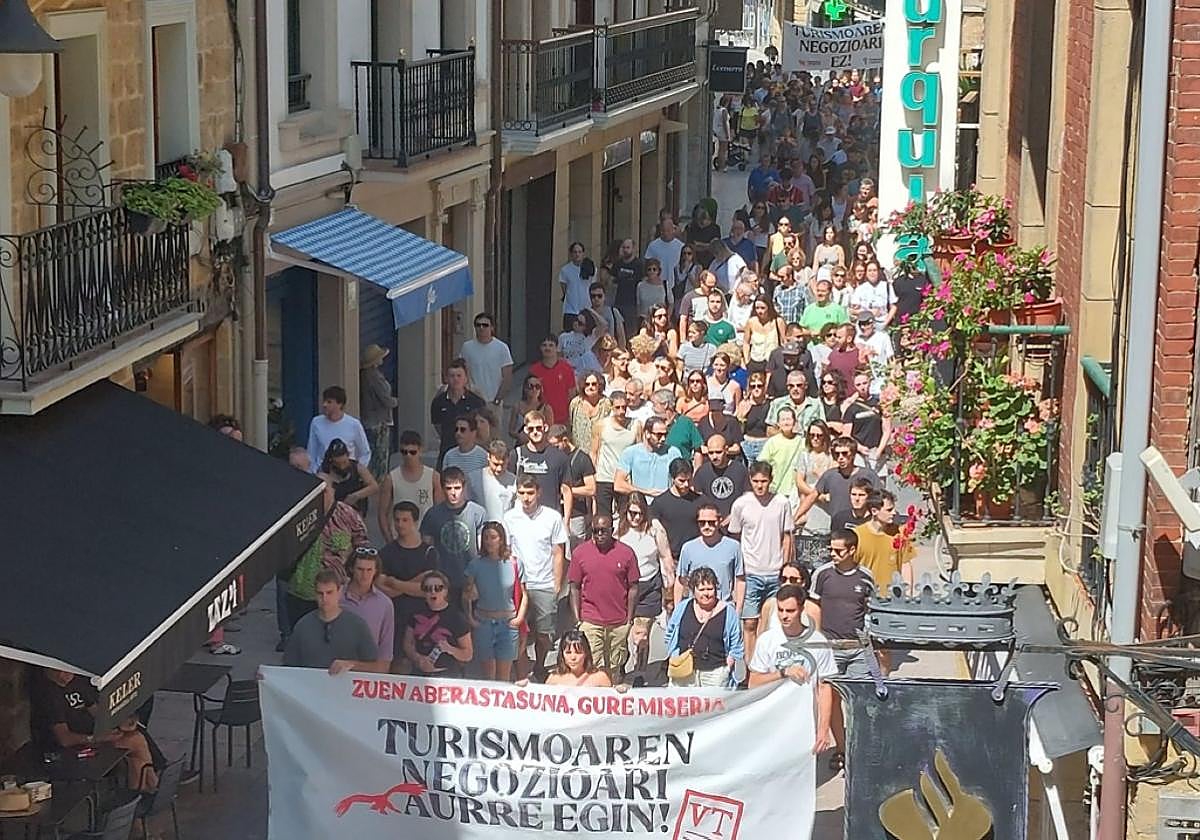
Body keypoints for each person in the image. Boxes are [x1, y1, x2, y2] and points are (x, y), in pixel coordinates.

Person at [746, 582, 835, 759]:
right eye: (780, 610)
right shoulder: (767, 641)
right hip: (773, 718)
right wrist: (782, 672)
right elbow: (753, 683)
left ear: (801, 609)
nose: (784, 616)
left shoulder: (818, 642)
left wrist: (823, 729)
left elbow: (824, 688)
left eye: (790, 611)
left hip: (804, 720)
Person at [32, 669, 160, 791]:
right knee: (135, 741)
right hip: (71, 749)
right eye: (57, 671)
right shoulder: (47, 694)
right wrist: (96, 738)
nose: (63, 675)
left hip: (94, 736)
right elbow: (65, 739)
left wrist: (120, 722)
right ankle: (150, 789)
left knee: (135, 745)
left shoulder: (77, 681)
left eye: (67, 670)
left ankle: (144, 792)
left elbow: (97, 712)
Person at [811, 529, 875, 767]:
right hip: (830, 649)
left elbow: (872, 612)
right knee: (832, 700)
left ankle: (861, 748)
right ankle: (841, 748)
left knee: (860, 700)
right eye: (831, 550)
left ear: (852, 550)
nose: (833, 554)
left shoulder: (866, 577)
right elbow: (813, 609)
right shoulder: (822, 575)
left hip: (859, 649)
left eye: (838, 550)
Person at [503, 476, 569, 679]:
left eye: (530, 493)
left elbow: (559, 552)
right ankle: (519, 670)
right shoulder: (509, 517)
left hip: (544, 583)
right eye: (521, 493)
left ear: (538, 492)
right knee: (518, 631)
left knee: (544, 633)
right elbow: (506, 550)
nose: (526, 498)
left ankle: (540, 665)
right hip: (518, 584)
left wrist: (557, 585)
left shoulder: (552, 517)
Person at [728, 462, 794, 663]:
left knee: (774, 623)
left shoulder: (782, 503)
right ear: (750, 480)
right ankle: (751, 668)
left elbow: (787, 537)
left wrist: (787, 568)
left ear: (770, 481)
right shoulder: (741, 504)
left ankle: (771, 664)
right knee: (749, 623)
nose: (760, 486)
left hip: (775, 572)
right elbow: (735, 538)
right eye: (756, 481)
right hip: (751, 572)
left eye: (764, 481)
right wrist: (737, 575)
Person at [569, 513, 639, 683]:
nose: (599, 535)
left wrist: (629, 619)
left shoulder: (626, 553)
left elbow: (634, 587)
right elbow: (574, 587)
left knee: (615, 666)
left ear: (612, 530)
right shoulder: (580, 553)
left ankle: (613, 700)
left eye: (603, 531)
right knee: (594, 667)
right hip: (591, 621)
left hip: (619, 622)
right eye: (595, 531)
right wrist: (578, 619)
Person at [377, 502, 440, 672]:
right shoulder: (386, 553)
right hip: (395, 618)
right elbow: (383, 589)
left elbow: (427, 590)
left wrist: (395, 582)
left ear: (415, 522)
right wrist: (416, 581)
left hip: (423, 619)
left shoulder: (429, 552)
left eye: (405, 520)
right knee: (398, 665)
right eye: (397, 520)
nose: (400, 524)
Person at [464, 522, 527, 682]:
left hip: (507, 623)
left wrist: (519, 618)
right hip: (484, 622)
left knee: (504, 676)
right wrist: (470, 618)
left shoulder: (514, 563)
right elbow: (466, 594)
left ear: (501, 539)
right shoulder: (475, 564)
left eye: (493, 537)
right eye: (486, 538)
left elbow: (524, 594)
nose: (489, 541)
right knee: (488, 675)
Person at [618, 493, 673, 674]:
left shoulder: (654, 528)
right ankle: (620, 664)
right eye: (631, 513)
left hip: (649, 586)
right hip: (624, 588)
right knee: (623, 632)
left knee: (642, 634)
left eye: (639, 513)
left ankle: (640, 671)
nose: (635, 518)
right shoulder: (619, 529)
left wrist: (669, 588)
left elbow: (665, 557)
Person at [663, 566, 744, 689]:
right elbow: (670, 633)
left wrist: (728, 665)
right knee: (683, 707)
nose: (706, 594)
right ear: (693, 590)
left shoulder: (728, 612)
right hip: (684, 669)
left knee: (714, 708)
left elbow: (736, 643)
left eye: (710, 589)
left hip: (715, 673)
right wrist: (674, 655)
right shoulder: (682, 608)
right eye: (701, 589)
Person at [285, 569, 379, 674]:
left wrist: (352, 665)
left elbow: (376, 667)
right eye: (320, 593)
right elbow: (288, 667)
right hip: (311, 687)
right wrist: (268, 677)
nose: (325, 598)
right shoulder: (303, 626)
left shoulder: (357, 626)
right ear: (315, 594)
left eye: (329, 592)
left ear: (339, 592)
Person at [419, 467, 486, 598]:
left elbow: (482, 551)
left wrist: (479, 580)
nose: (453, 493)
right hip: (442, 579)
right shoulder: (433, 514)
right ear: (443, 489)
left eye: (457, 488)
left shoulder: (478, 512)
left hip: (470, 578)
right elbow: (425, 549)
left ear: (464, 487)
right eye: (449, 488)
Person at [797, 436, 880, 528]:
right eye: (837, 454)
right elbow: (812, 496)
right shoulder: (830, 475)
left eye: (844, 453)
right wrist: (795, 518)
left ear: (853, 454)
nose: (840, 457)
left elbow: (879, 500)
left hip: (865, 526)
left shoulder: (869, 475)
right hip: (838, 528)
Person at [403, 570, 474, 677]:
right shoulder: (415, 613)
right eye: (428, 589)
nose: (433, 592)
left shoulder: (457, 617)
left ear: (445, 591)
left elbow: (468, 654)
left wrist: (450, 649)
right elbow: (408, 643)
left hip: (448, 675)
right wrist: (418, 658)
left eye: (438, 588)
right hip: (419, 674)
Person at [675, 503, 745, 610]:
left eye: (711, 522)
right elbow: (680, 581)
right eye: (702, 523)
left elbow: (740, 580)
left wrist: (738, 611)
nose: (707, 526)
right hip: (696, 609)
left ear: (720, 521)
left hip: (723, 607)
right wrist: (678, 610)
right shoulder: (688, 548)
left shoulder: (734, 547)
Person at [508, 410, 572, 520]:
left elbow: (566, 491)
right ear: (525, 430)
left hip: (550, 517)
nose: (535, 432)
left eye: (538, 428)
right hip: (522, 517)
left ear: (545, 428)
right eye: (531, 429)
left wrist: (566, 521)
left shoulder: (559, 457)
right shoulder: (516, 455)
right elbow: (509, 487)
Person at [378, 430, 441, 540]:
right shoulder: (391, 478)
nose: (408, 456)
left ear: (420, 450)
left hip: (425, 540)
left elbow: (440, 511)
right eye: (404, 452)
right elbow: (382, 513)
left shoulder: (433, 477)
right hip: (399, 540)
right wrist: (389, 540)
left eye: (412, 452)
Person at [339, 548, 395, 673]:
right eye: (360, 569)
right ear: (352, 569)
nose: (365, 575)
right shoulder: (336, 596)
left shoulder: (385, 604)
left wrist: (352, 665)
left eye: (369, 570)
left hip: (367, 674)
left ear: (376, 571)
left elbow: (385, 661)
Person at [591, 391, 639, 517]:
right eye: (617, 407)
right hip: (604, 477)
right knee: (603, 516)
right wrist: (594, 475)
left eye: (624, 407)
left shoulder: (636, 425)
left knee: (625, 515)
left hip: (625, 478)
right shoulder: (601, 425)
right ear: (611, 407)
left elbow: (640, 451)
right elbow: (594, 452)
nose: (621, 411)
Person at [430, 360, 486, 468]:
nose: (455, 379)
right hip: (447, 451)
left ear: (465, 379)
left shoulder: (477, 402)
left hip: (471, 454)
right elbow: (438, 426)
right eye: (452, 376)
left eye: (459, 375)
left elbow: (482, 428)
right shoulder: (438, 402)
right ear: (446, 378)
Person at [853, 490, 915, 589]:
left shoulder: (900, 533)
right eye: (889, 510)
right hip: (867, 596)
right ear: (874, 511)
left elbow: (905, 564)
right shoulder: (857, 535)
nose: (894, 513)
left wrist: (908, 593)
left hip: (895, 597)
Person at [548, 424, 597, 547]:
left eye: (556, 446)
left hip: (576, 514)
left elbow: (591, 489)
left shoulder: (582, 459)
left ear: (565, 440)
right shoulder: (552, 458)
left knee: (575, 552)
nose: (553, 449)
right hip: (555, 512)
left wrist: (567, 491)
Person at [614, 417, 681, 498]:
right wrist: (646, 492)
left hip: (666, 504)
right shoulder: (631, 452)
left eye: (665, 435)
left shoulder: (673, 452)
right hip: (642, 505)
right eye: (659, 435)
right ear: (647, 433)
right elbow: (618, 484)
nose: (663, 439)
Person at [307, 385, 371, 469]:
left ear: (340, 404)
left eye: (329, 402)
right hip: (323, 471)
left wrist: (357, 471)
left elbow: (365, 452)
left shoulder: (354, 424)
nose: (324, 405)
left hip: (346, 471)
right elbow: (312, 451)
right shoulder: (316, 422)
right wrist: (314, 471)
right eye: (324, 401)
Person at [359, 344, 398, 481]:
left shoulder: (365, 376)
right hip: (378, 422)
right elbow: (386, 399)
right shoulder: (374, 377)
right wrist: (395, 401)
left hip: (369, 420)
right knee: (380, 458)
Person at [843, 369, 892, 475]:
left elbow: (887, 429)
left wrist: (879, 451)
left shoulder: (880, 403)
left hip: (878, 451)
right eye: (858, 384)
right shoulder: (851, 408)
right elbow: (846, 435)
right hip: (859, 455)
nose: (862, 387)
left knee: (880, 488)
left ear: (870, 383)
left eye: (864, 383)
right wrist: (859, 447)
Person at [460, 312, 514, 407]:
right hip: (472, 400)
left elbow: (507, 377)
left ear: (492, 327)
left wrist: (497, 400)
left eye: (485, 325)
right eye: (478, 325)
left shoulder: (502, 348)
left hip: (493, 401)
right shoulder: (467, 347)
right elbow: (462, 370)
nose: (481, 328)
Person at [694, 433, 749, 520]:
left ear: (726, 450)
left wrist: (733, 516)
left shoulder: (740, 470)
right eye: (711, 453)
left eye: (718, 452)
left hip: (736, 521)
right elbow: (698, 500)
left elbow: (747, 497)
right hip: (711, 523)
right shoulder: (702, 472)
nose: (714, 457)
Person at [318, 438, 378, 516]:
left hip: (356, 510)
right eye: (338, 464)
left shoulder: (357, 467)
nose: (342, 467)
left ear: (348, 455)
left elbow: (374, 486)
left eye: (344, 462)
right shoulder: (326, 474)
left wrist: (356, 496)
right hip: (337, 512)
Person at [755, 562, 821, 634]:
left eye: (793, 580)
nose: (787, 583)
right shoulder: (770, 605)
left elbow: (816, 639)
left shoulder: (812, 609)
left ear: (803, 582)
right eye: (784, 579)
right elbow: (761, 636)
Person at [441, 413, 490, 505]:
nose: (458, 433)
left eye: (462, 430)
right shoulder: (449, 455)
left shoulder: (483, 456)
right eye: (456, 430)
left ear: (473, 432)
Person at [528, 337, 577, 427]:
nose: (547, 348)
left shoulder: (567, 368)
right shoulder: (534, 370)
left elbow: (572, 394)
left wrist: (571, 417)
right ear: (540, 348)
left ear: (556, 348)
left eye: (551, 345)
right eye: (544, 345)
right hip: (541, 420)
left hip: (563, 419)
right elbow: (529, 396)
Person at [653, 389, 705, 465]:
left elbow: (697, 451)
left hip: (682, 470)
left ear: (665, 404)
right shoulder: (653, 424)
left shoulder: (686, 422)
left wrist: (696, 474)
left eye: (655, 404)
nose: (653, 408)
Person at [543, 630, 613, 687]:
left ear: (586, 653)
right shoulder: (554, 679)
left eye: (578, 652)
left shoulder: (600, 678)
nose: (573, 657)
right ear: (562, 654)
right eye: (568, 652)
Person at [566, 374, 611, 454]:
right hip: (579, 452)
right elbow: (570, 425)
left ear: (599, 385)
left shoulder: (606, 404)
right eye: (587, 384)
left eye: (594, 384)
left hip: (601, 452)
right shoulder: (575, 403)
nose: (590, 387)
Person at [509, 375, 555, 445]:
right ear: (525, 388)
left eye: (537, 387)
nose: (534, 390)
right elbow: (511, 430)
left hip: (540, 446)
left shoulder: (546, 408)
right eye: (531, 386)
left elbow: (550, 431)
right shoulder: (517, 407)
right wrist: (519, 436)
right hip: (522, 444)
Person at [737, 370, 771, 463]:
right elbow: (738, 430)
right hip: (747, 443)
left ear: (764, 387)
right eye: (753, 386)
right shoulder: (744, 404)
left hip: (764, 443)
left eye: (759, 386)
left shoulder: (770, 404)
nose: (756, 389)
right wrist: (742, 417)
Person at [480, 439, 517, 522]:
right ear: (488, 457)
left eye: (503, 464)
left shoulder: (514, 480)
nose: (499, 469)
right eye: (495, 464)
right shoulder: (476, 478)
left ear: (508, 460)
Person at [559, 243, 594, 332]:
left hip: (587, 309)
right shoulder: (565, 270)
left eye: (579, 252)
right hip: (570, 310)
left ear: (583, 253)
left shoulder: (591, 268)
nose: (577, 254)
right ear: (571, 254)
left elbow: (593, 286)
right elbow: (564, 287)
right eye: (575, 252)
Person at [558, 309, 605, 374]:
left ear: (585, 327)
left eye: (580, 323)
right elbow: (558, 356)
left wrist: (591, 311)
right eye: (576, 320)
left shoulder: (590, 337)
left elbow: (604, 324)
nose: (576, 323)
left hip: (583, 372)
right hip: (567, 372)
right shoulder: (563, 336)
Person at [712, 95, 732, 171]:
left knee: (720, 149)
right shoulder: (724, 110)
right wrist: (727, 134)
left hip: (717, 130)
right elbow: (725, 122)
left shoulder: (717, 109)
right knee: (723, 150)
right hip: (723, 132)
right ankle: (722, 165)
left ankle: (719, 164)